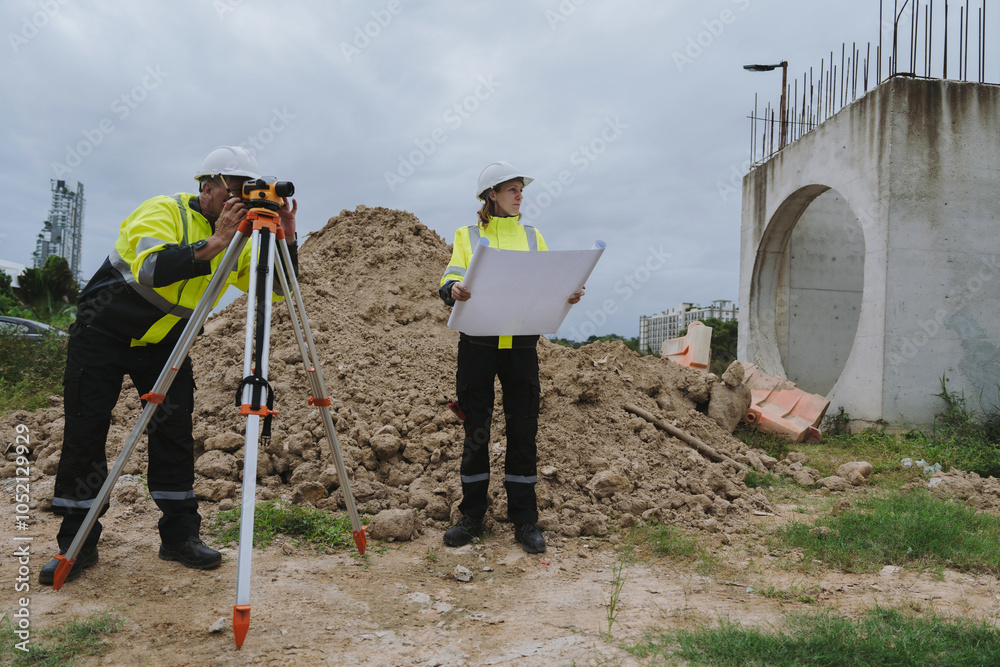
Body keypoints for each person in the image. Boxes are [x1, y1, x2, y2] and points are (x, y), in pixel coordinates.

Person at [39, 146, 298, 585]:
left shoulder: (239, 236)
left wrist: (286, 237)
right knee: (86, 433)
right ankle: (76, 544)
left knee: (173, 434)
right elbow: (151, 269)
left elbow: (277, 289)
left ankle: (180, 537)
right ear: (207, 187)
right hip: (102, 333)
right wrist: (216, 241)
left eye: (247, 192)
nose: (241, 200)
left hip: (164, 343)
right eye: (234, 190)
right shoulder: (164, 211)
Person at [438, 161, 584, 554]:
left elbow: (550, 283)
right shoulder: (468, 235)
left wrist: (567, 293)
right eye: (513, 189)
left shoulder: (533, 237)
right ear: (493, 194)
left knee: (523, 430)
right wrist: (453, 288)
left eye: (521, 189)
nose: (520, 196)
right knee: (476, 431)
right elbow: (450, 277)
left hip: (521, 347)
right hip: (478, 345)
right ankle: (472, 517)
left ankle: (525, 521)